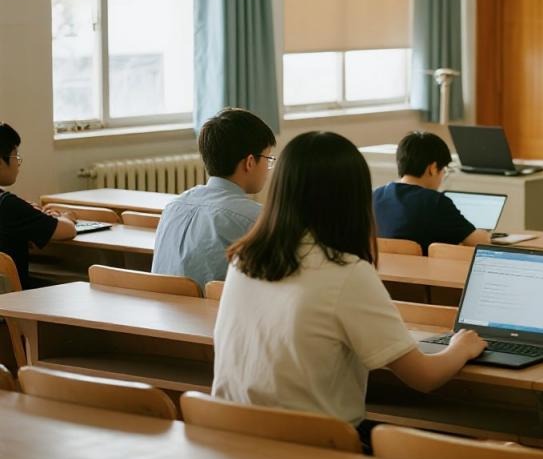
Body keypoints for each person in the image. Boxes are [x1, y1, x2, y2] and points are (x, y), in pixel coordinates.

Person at [213, 131, 485, 428]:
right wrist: (460, 346)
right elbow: (425, 377)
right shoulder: (346, 272)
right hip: (312, 444)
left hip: (231, 435)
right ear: (352, 198)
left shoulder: (243, 259)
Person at [152, 108, 275, 288]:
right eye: (268, 158)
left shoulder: (173, 207)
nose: (269, 167)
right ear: (250, 162)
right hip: (214, 307)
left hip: (160, 304)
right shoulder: (256, 219)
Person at [373, 132, 490, 254]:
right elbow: (479, 242)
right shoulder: (435, 201)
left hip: (382, 266)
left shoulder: (375, 195)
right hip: (423, 266)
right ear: (433, 168)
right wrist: (488, 235)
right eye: (444, 170)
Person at [0, 123, 76, 287]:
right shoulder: (9, 205)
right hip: (14, 297)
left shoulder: (12, 206)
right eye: (15, 157)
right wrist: (66, 217)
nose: (18, 163)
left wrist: (29, 214)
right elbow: (67, 230)